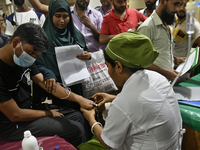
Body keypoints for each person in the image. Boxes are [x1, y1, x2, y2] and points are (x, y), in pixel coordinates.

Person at [81, 31, 183, 150]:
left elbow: (108, 143)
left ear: (118, 66)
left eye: (107, 66)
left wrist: (91, 119)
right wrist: (114, 98)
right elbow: (147, 103)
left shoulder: (124, 103)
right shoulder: (157, 77)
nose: (108, 72)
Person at [0, 23, 94, 148]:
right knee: (76, 129)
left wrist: (79, 99)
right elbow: (15, 114)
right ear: (16, 42)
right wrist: (48, 114)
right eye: (31, 53)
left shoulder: (23, 56)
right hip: (14, 125)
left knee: (77, 116)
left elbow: (47, 85)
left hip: (31, 109)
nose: (32, 58)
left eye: (35, 55)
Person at [137, 0, 184, 82]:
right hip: (153, 84)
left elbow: (159, 51)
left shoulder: (168, 25)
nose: (178, 9)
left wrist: (174, 59)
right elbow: (139, 61)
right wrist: (165, 73)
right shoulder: (147, 27)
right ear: (163, 1)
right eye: (175, 4)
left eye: (179, 5)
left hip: (167, 82)